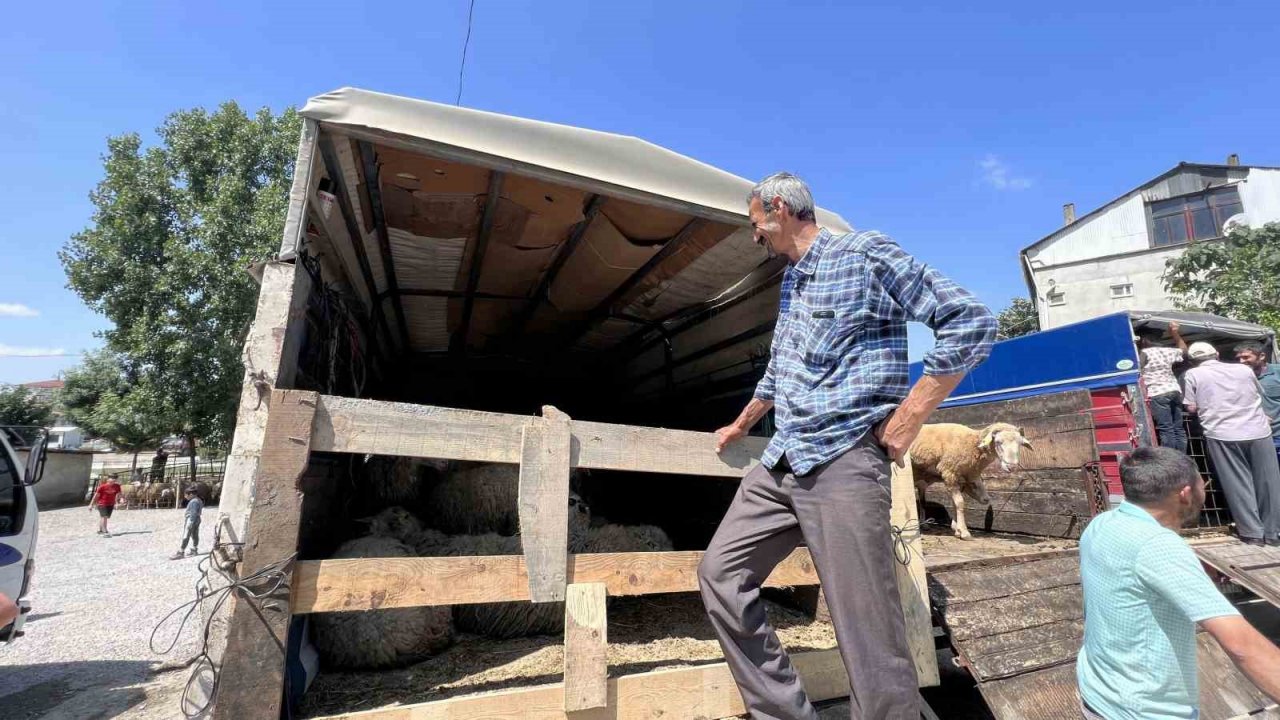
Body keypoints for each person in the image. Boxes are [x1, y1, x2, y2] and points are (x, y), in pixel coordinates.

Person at [701, 172, 997, 720]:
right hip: (783, 458)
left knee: (865, 624)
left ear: (777, 209)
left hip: (843, 457)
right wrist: (742, 425)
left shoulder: (864, 253)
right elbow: (779, 370)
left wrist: (909, 418)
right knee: (720, 575)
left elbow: (970, 322)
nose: (753, 236)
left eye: (754, 225)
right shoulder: (792, 281)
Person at [1077, 446, 1280, 719]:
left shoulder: (1102, 524)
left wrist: (1194, 573)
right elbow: (1241, 645)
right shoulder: (1159, 547)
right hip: (1144, 711)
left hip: (1099, 694)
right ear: (1185, 493)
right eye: (1202, 483)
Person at [1184, 341, 1280, 546]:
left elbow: (1191, 407)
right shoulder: (1243, 370)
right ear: (1217, 354)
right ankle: (1273, 534)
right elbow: (1257, 394)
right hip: (1258, 431)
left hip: (1222, 434)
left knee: (1238, 483)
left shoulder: (1192, 375)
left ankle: (1253, 534)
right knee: (1269, 483)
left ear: (1193, 361)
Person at [1138, 322, 1189, 452]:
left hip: (1157, 393)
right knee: (1178, 428)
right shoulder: (1168, 351)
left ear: (1144, 340)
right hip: (1174, 390)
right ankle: (1182, 457)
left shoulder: (1144, 353)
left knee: (1166, 428)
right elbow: (1184, 351)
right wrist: (1175, 333)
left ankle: (1170, 458)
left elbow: (1138, 371)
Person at [1235, 340, 1280, 450]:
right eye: (1238, 358)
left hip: (1277, 435)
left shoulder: (1277, 372)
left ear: (1262, 356)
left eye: (1246, 357)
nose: (1241, 361)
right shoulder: (1236, 377)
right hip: (1252, 436)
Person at [171, 487, 204, 559]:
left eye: (186, 495)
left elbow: (193, 513)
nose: (185, 497)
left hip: (191, 519)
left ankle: (181, 551)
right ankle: (194, 549)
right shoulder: (199, 500)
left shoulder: (193, 502)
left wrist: (190, 523)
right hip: (197, 519)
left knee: (186, 535)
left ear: (191, 494)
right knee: (195, 534)